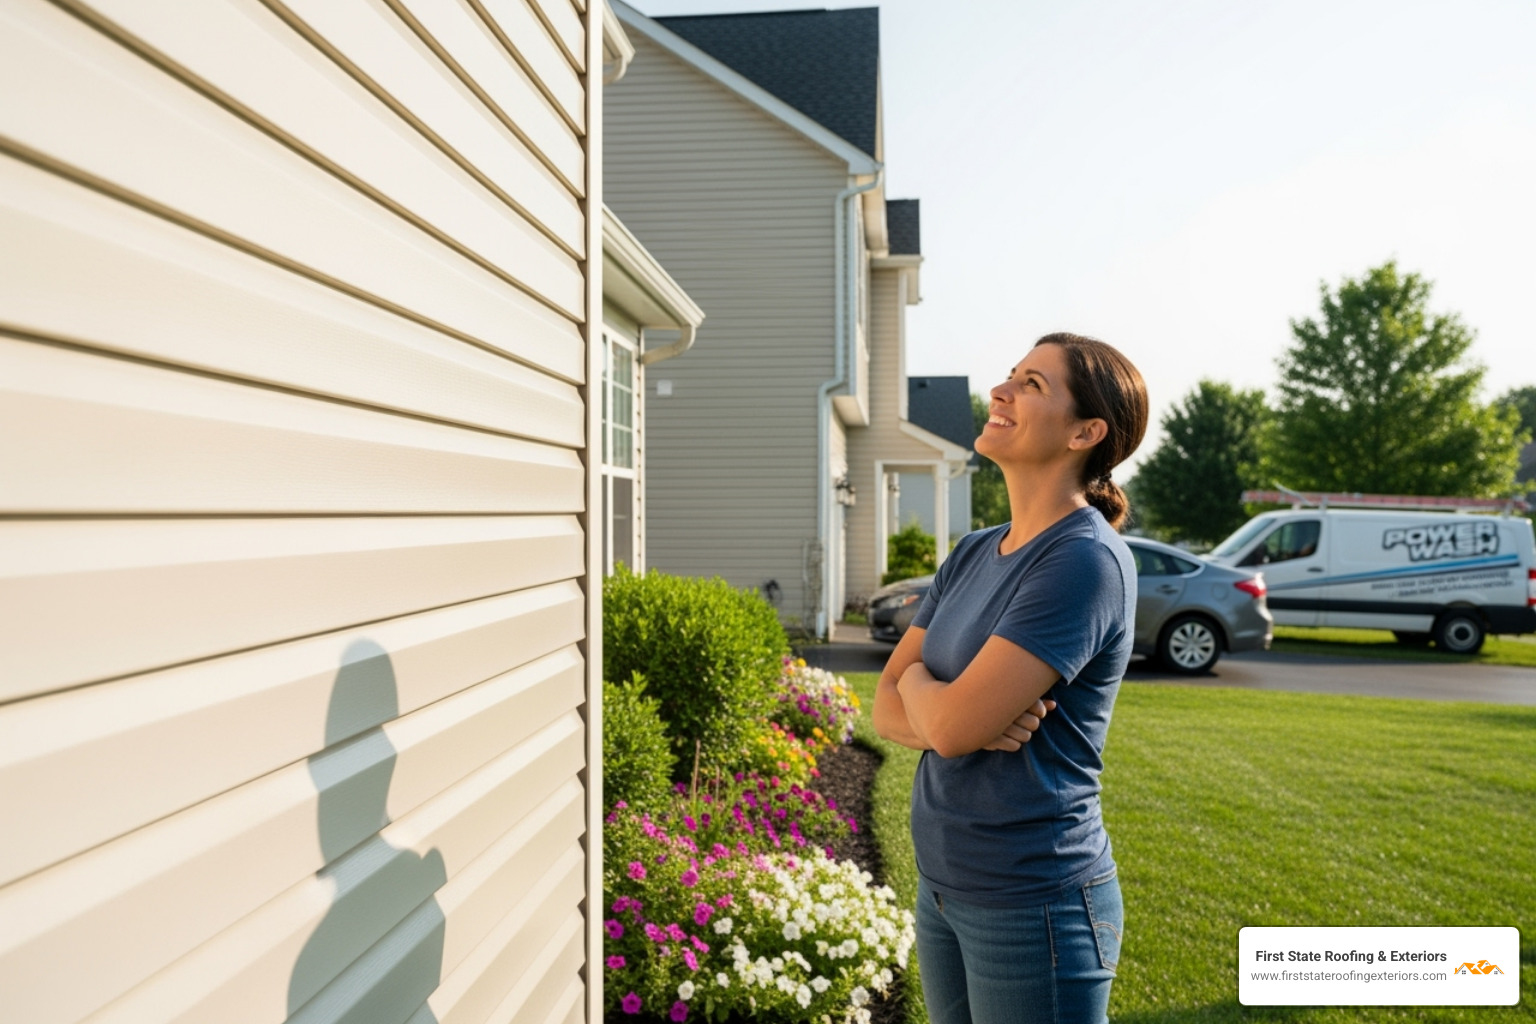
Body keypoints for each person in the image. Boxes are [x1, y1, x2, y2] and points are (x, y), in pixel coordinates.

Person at [873, 333, 1149, 1024]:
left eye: (1032, 384)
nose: (1001, 392)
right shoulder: (972, 552)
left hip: (1036, 904)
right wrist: (937, 703)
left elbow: (949, 726)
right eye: (1010, 376)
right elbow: (890, 708)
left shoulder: (1083, 561)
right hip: (943, 888)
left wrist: (934, 698)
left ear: (1086, 432)